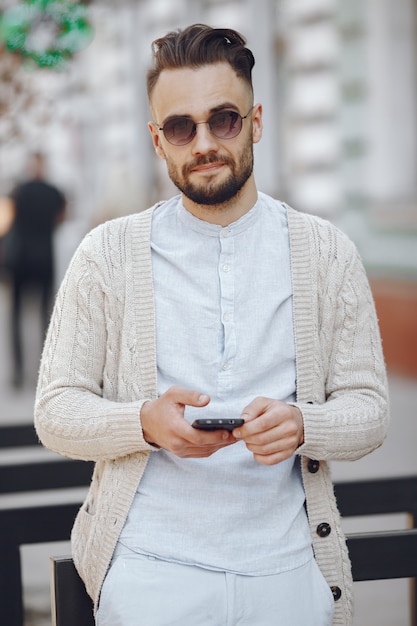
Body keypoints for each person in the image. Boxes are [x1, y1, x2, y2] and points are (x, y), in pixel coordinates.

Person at [34, 24, 389, 626]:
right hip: (150, 571)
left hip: (289, 569)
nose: (203, 143)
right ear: (157, 140)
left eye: (223, 119)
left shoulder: (326, 251)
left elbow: (372, 410)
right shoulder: (106, 253)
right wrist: (142, 422)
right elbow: (55, 410)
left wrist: (306, 425)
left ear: (255, 122)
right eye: (180, 127)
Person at [4, 152, 66, 387]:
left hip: (20, 259)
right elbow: (61, 218)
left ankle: (18, 372)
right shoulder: (54, 193)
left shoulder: (18, 191)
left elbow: (7, 219)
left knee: (16, 316)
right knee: (45, 318)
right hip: (44, 259)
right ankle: (44, 368)